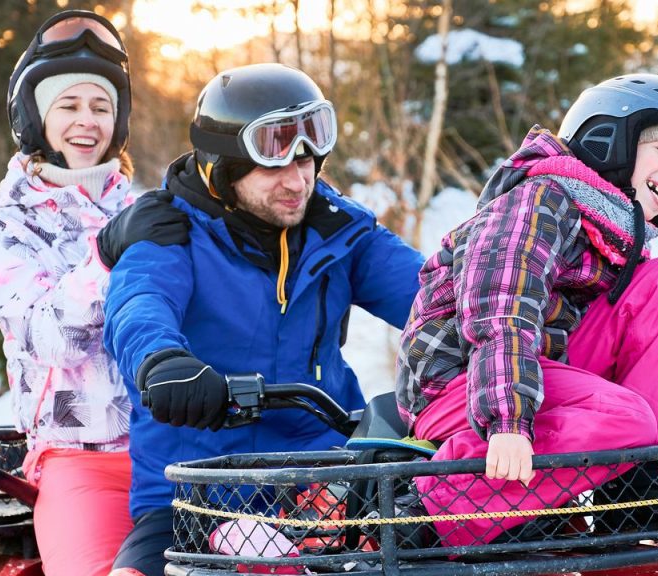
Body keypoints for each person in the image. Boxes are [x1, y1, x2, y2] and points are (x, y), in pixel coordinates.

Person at [396, 73, 658, 547]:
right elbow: (502, 306)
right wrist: (507, 419)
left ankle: (644, 491)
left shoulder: (619, 246)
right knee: (628, 417)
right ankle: (432, 512)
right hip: (467, 386)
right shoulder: (541, 198)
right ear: (611, 137)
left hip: (550, 380)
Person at [99, 63, 426, 575]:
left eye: (308, 162)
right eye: (274, 168)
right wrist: (162, 361)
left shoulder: (338, 233)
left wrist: (508, 320)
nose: (298, 182)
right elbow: (139, 304)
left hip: (323, 483)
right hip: (194, 492)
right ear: (223, 169)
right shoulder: (169, 232)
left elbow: (436, 297)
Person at [0, 11, 186, 575]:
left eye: (101, 107)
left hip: (175, 455)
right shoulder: (3, 233)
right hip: (79, 461)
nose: (86, 121)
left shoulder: (149, 212)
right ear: (35, 117)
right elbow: (51, 338)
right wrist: (106, 254)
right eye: (68, 105)